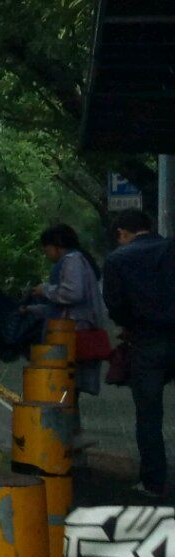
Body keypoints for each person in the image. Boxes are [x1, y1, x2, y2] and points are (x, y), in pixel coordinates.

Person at [103, 208, 174, 499]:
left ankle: (153, 483)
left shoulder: (117, 259)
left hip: (147, 342)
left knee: (149, 414)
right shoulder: (171, 248)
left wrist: (129, 325)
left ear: (122, 232)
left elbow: (115, 305)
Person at [25, 223, 105, 397]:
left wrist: (45, 290)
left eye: (47, 250)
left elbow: (72, 294)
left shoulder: (72, 260)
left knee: (65, 383)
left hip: (70, 332)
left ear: (57, 245)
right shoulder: (76, 260)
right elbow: (57, 307)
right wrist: (32, 309)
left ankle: (66, 415)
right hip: (69, 329)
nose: (47, 255)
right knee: (67, 386)